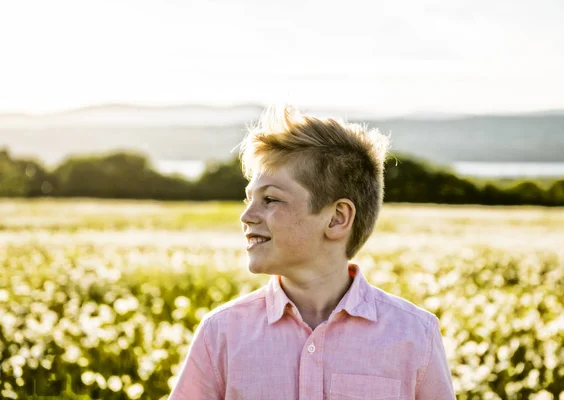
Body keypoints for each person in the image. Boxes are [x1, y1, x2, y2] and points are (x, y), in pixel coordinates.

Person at [168, 105, 455, 399]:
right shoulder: (221, 334)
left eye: (270, 199)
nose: (247, 216)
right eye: (248, 199)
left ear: (336, 218)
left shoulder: (415, 335)